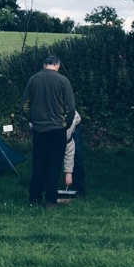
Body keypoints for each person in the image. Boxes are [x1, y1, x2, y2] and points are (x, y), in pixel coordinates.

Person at [21, 55, 77, 207]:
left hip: (39, 128)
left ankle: (34, 197)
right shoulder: (63, 81)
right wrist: (67, 122)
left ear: (44, 65)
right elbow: (70, 107)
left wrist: (32, 119)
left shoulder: (33, 79)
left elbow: (25, 105)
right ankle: (51, 199)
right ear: (57, 66)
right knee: (54, 163)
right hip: (58, 128)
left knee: (38, 163)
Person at [59, 110, 84, 201]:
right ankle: (47, 186)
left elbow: (69, 148)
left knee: (77, 154)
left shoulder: (66, 130)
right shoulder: (37, 123)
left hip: (73, 122)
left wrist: (68, 173)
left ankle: (78, 188)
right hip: (45, 125)